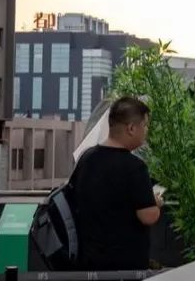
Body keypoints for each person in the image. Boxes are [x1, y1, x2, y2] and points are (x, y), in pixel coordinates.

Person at [70, 96, 163, 272]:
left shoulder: (87, 158)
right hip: (125, 266)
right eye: (145, 125)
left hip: (89, 262)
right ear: (131, 128)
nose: (146, 131)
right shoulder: (134, 167)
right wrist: (155, 203)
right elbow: (148, 216)